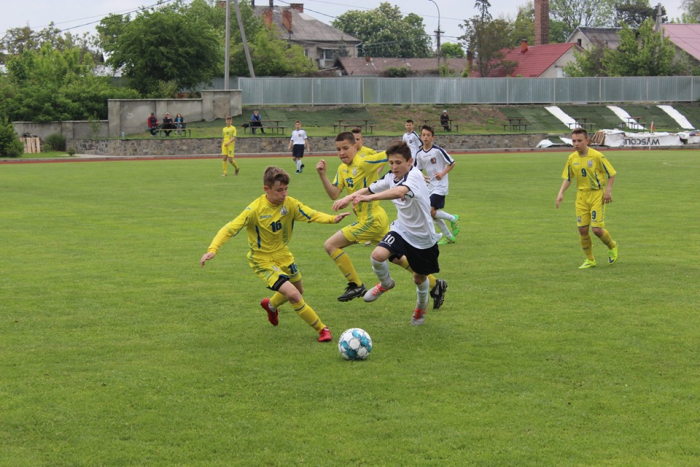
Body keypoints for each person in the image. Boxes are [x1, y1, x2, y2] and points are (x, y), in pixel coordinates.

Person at [201, 166, 350, 342]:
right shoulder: (254, 210)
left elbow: (311, 214)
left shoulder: (290, 204)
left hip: (284, 255)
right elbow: (228, 229)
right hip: (262, 260)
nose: (284, 194)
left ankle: (270, 306)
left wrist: (332, 219)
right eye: (279, 190)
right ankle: (322, 329)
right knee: (294, 294)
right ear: (267, 189)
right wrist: (212, 249)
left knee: (299, 290)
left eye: (286, 189)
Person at [316, 132, 447, 308]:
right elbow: (335, 194)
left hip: (374, 221)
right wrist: (326, 178)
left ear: (356, 146)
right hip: (390, 225)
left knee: (331, 245)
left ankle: (356, 285)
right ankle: (434, 284)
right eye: (338, 149)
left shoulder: (364, 161)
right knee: (395, 258)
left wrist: (411, 170)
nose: (341, 153)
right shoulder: (342, 169)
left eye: (345, 148)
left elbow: (389, 158)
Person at [556, 128, 619, 269]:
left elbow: (612, 173)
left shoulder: (597, 156)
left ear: (587, 141)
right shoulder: (572, 158)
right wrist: (561, 193)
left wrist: (608, 191)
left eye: (579, 141)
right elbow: (568, 177)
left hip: (596, 194)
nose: (576, 144)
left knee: (596, 230)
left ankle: (612, 246)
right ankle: (590, 260)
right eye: (573, 141)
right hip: (581, 196)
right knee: (582, 230)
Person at [414, 125, 460, 245]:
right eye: (423, 135)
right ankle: (449, 236)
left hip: (441, 185)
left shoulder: (438, 151)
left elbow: (452, 163)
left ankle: (452, 218)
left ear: (432, 137)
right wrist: (423, 177)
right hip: (430, 187)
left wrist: (442, 173)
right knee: (433, 214)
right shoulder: (419, 154)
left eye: (428, 135)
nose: (425, 137)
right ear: (420, 137)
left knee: (430, 211)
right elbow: (417, 170)